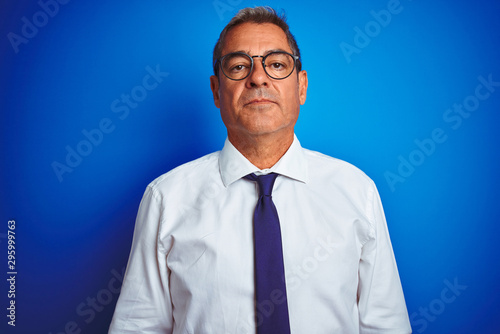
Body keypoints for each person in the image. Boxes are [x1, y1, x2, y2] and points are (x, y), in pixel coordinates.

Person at [109, 6, 411, 334]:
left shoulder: (356, 191)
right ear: (216, 91)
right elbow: (138, 327)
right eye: (239, 66)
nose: (258, 77)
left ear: (301, 86)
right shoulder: (167, 198)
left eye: (277, 64)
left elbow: (386, 325)